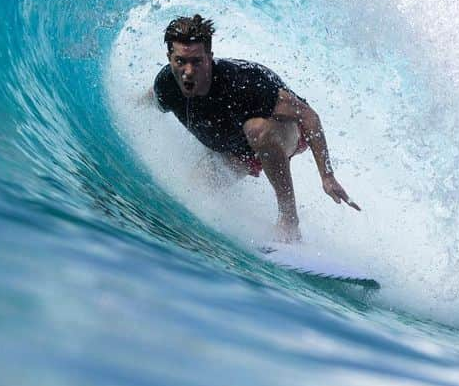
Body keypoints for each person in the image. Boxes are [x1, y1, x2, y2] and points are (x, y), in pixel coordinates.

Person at [146, 14, 359, 242]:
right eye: (180, 61)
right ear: (169, 58)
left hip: (287, 132)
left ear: (209, 57)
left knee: (258, 129)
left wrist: (327, 176)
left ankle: (289, 221)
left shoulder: (242, 83)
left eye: (197, 61)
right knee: (193, 193)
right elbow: (145, 103)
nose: (188, 70)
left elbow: (309, 117)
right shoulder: (166, 85)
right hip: (238, 150)